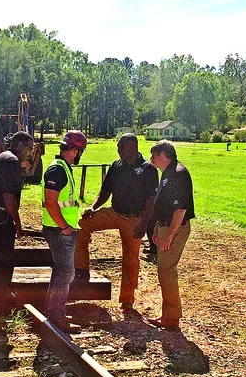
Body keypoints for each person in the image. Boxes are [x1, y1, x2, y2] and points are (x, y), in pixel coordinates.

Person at [75, 133, 158, 312]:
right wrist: (93, 207)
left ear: (133, 147)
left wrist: (144, 224)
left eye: (122, 147)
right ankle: (81, 270)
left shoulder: (148, 169)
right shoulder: (116, 166)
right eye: (118, 147)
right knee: (82, 224)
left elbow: (151, 200)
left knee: (130, 259)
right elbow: (105, 192)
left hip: (134, 218)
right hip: (114, 212)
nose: (118, 150)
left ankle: (127, 299)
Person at [42, 130, 87, 330]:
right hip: (59, 230)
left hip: (58, 229)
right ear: (75, 151)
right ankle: (57, 316)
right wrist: (65, 227)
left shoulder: (61, 168)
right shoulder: (58, 170)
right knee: (65, 272)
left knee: (61, 271)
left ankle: (53, 311)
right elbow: (51, 203)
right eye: (80, 152)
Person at [148, 140, 195, 330]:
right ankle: (168, 314)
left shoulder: (178, 174)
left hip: (175, 227)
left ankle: (172, 318)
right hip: (165, 226)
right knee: (164, 270)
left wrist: (169, 234)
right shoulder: (168, 172)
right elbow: (163, 204)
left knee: (167, 271)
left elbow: (180, 209)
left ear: (163, 155)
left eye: (153, 156)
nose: (151, 160)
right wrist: (156, 227)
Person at [0, 131, 35, 293]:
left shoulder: (4, 156)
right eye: (29, 148)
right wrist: (17, 223)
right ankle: (0, 296)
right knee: (5, 260)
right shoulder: (12, 161)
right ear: (19, 145)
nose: (30, 153)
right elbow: (8, 196)